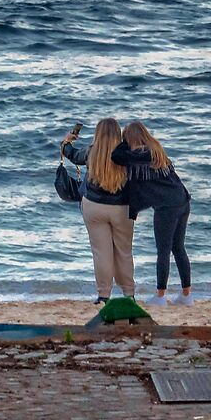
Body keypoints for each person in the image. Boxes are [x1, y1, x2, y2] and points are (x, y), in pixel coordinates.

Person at [60, 118, 137, 301]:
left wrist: (67, 141)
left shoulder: (92, 151)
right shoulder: (126, 153)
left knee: (101, 253)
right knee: (124, 252)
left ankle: (103, 296)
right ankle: (129, 294)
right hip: (122, 209)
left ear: (98, 133)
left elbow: (72, 155)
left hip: (94, 206)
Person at [121, 121, 193, 303]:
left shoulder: (139, 156)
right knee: (178, 248)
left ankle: (160, 296)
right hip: (183, 199)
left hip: (167, 206)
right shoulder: (156, 151)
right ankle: (186, 295)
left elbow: (118, 157)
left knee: (163, 250)